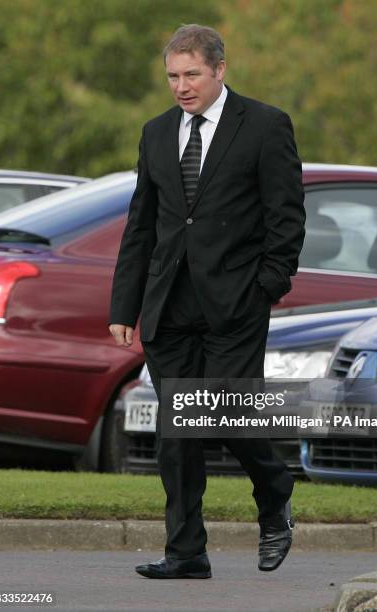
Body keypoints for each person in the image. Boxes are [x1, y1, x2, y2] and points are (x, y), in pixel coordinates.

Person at [109, 24, 305, 579]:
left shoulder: (266, 126)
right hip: (169, 306)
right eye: (173, 76)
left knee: (229, 418)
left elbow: (286, 219)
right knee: (177, 433)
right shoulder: (155, 133)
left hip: (235, 305)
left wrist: (266, 286)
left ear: (220, 70)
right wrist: (124, 307)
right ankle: (187, 551)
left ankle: (275, 494)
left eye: (191, 73)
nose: (181, 86)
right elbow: (140, 225)